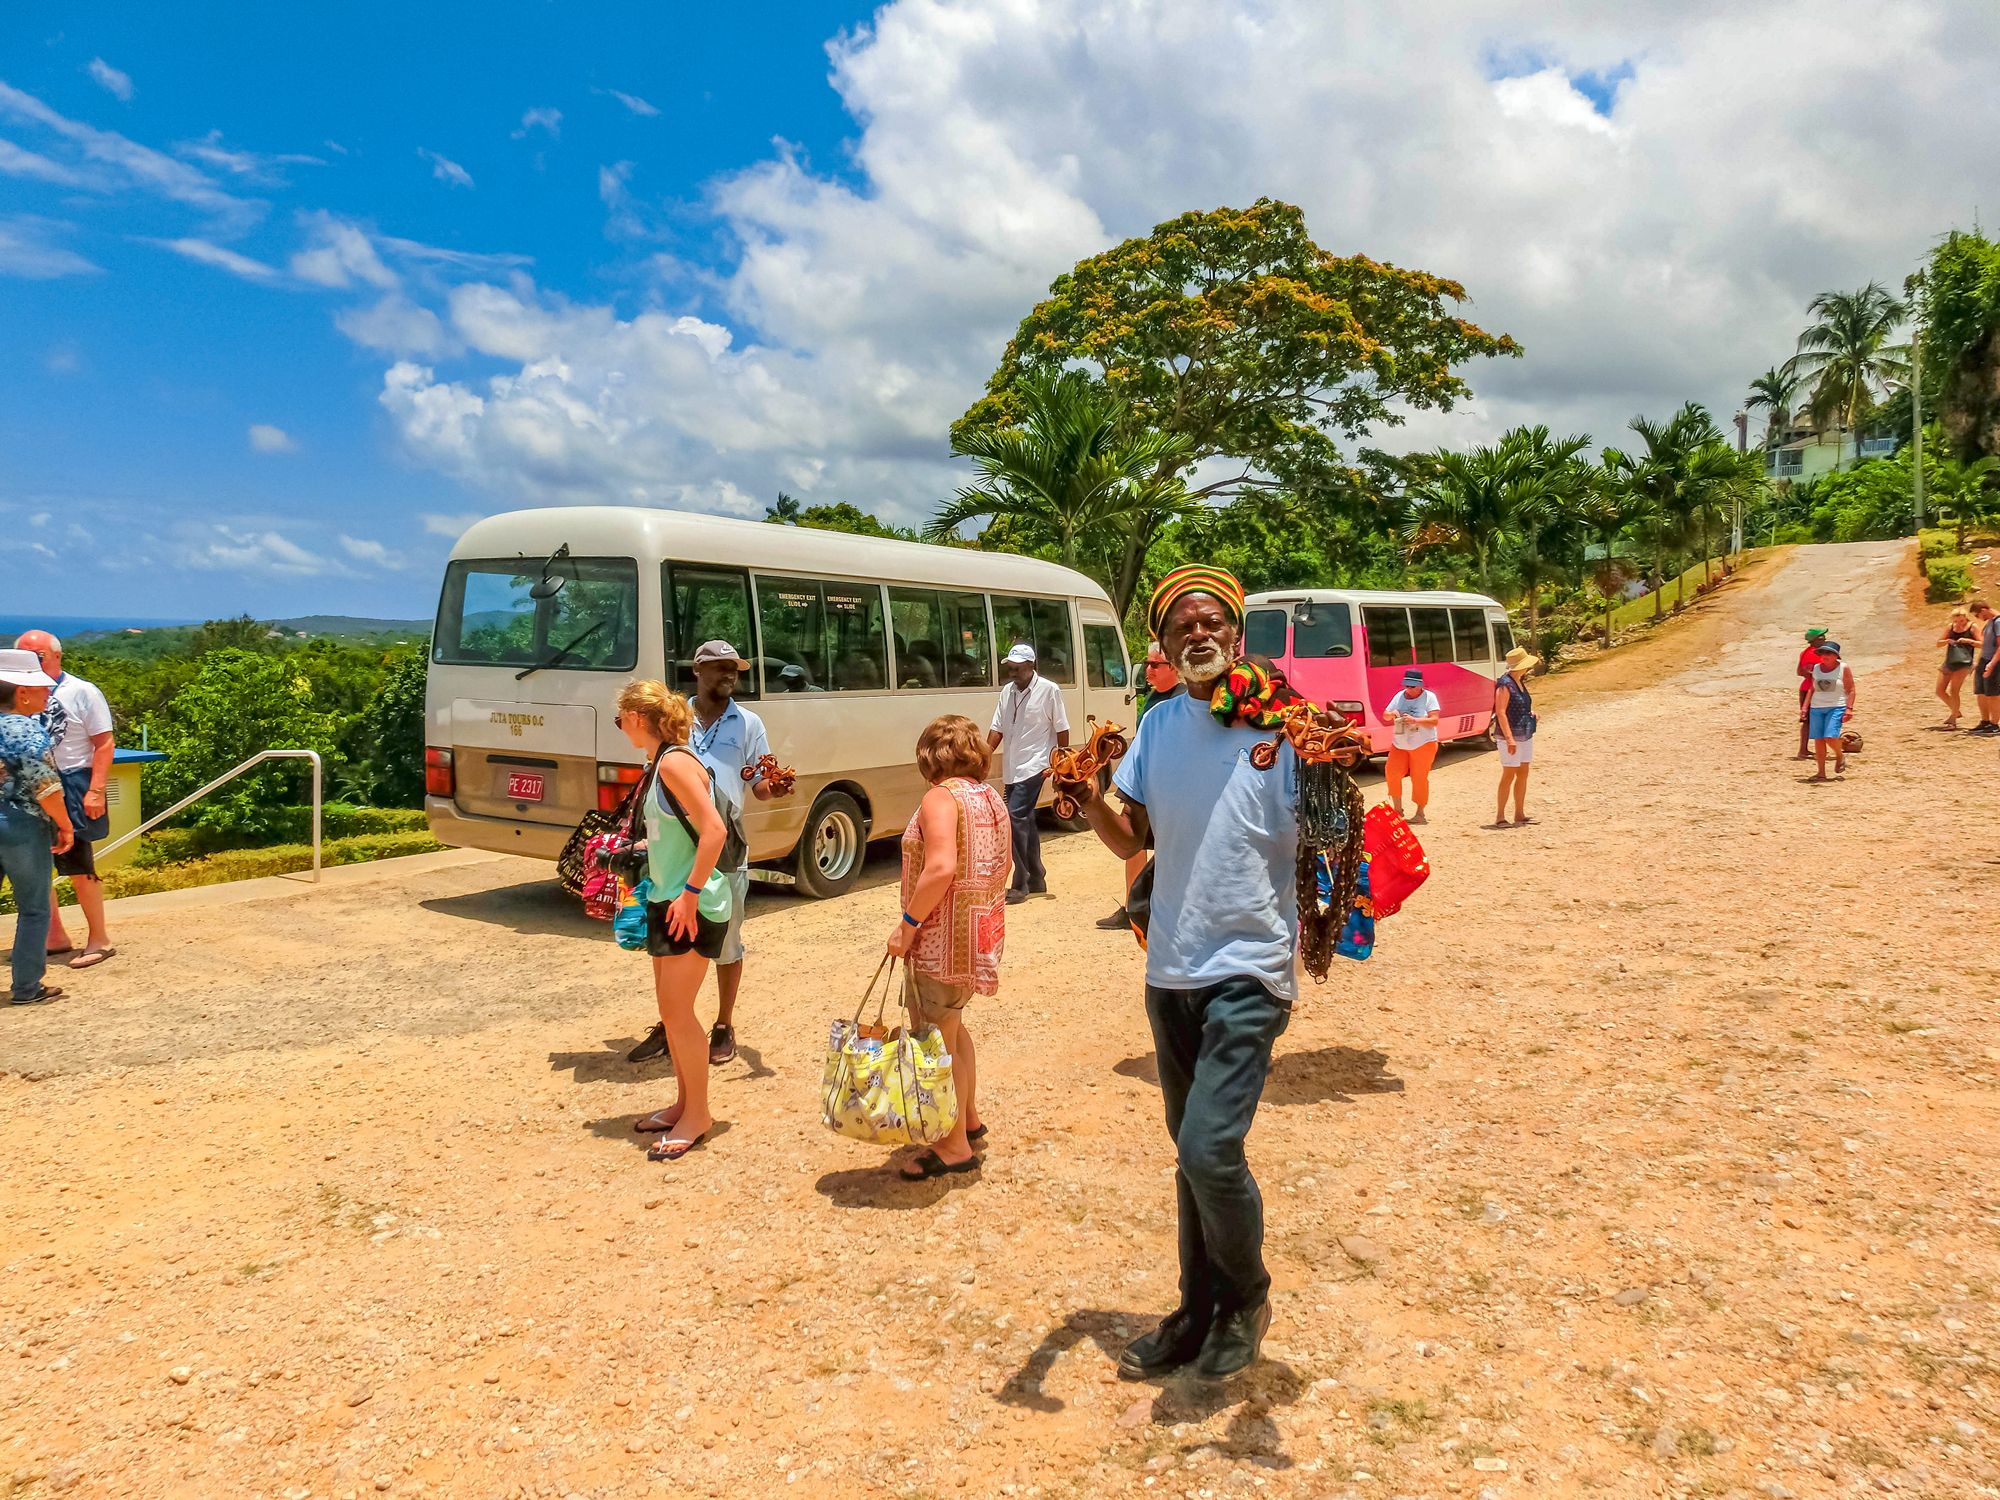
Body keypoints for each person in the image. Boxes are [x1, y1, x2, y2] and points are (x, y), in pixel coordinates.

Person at [1072, 565, 1298, 1382]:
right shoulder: (1159, 726)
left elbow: (1334, 822)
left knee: (1209, 1149)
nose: (1197, 635)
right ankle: (1195, 1307)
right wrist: (1090, 797)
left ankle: (1247, 1299)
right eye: (1180, 628)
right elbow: (1129, 832)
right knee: (1189, 1152)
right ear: (1162, 647)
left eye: (1211, 623)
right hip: (1170, 968)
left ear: (1235, 634)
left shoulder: (1282, 723)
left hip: (1251, 966)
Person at [627, 640, 792, 1068]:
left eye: (734, 669)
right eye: (720, 668)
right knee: (667, 933)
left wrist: (771, 789)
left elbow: (756, 782)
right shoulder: (675, 718)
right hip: (676, 841)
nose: (729, 676)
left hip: (724, 842)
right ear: (698, 671)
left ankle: (722, 1024)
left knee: (726, 937)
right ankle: (672, 1022)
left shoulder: (749, 723)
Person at [884, 714, 1009, 1180]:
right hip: (976, 936)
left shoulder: (941, 797)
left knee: (936, 1037)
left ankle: (952, 1146)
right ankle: (968, 1118)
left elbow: (939, 868)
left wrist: (908, 925)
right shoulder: (989, 797)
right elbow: (1006, 864)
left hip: (941, 940)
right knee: (953, 1029)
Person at [614, 680, 732, 1161]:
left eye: (621, 717)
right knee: (671, 1011)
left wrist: (689, 893)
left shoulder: (675, 763)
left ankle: (697, 1115)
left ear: (639, 718)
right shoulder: (663, 762)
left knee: (679, 1012)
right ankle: (685, 1104)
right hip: (669, 900)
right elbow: (680, 834)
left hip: (689, 905)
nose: (619, 725)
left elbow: (715, 831)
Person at [16, 631, 115, 968]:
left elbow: (104, 742)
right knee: (38, 865)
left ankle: (99, 937)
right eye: (24, 656)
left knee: (78, 864)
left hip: (72, 779)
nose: (32, 662)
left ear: (57, 656)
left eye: (38, 656)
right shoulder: (16, 693)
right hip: (31, 783)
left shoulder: (82, 691)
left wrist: (96, 789)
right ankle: (54, 935)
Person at [0, 650, 76, 1006]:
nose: (47, 695)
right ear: (21, 693)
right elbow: (46, 787)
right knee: (33, 909)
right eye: (41, 689)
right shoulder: (27, 731)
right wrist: (65, 825)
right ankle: (27, 988)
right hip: (21, 824)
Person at [1095, 641, 1183, 931]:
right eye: (1146, 664)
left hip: (1166, 790)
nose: (1148, 670)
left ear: (1174, 667)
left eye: (1155, 665)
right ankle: (1133, 905)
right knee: (1133, 844)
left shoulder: (1180, 700)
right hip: (1144, 787)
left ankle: (1150, 905)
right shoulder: (1156, 698)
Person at [987, 643, 1069, 906]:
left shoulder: (1049, 690)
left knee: (1015, 818)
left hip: (1036, 765)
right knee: (1025, 820)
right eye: (1009, 668)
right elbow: (997, 727)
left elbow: (1061, 728)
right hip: (1012, 767)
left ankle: (1019, 883)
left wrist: (1061, 765)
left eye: (1017, 668)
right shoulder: (1007, 692)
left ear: (1031, 667)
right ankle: (1037, 877)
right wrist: (982, 755)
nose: (1012, 672)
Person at [1383, 667, 1441, 824]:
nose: (1408, 689)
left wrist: (1415, 720)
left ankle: (1420, 813)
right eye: (1406, 686)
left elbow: (1434, 720)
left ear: (1420, 685)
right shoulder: (1399, 696)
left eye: (1412, 686)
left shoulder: (1429, 697)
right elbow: (1385, 714)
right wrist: (1392, 714)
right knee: (1392, 772)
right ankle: (1397, 810)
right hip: (1400, 743)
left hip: (1423, 743)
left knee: (1419, 778)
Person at [1491, 646, 1539, 829]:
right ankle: (1500, 816)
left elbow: (1518, 707)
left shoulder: (1518, 681)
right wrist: (1509, 738)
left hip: (1524, 733)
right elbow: (1501, 712)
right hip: (1510, 736)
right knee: (1509, 774)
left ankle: (1519, 813)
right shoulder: (1505, 684)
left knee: (1523, 772)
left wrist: (1531, 713)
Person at [1805, 639, 1856, 782]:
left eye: (1828, 653)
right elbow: (1813, 688)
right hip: (1816, 707)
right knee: (1819, 740)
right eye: (1822, 652)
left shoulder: (1843, 668)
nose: (1824, 655)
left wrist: (1849, 708)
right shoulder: (1816, 668)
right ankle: (1821, 773)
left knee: (1829, 736)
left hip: (1836, 706)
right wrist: (1805, 707)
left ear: (1835, 656)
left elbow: (1851, 689)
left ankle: (1839, 755)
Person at [1937, 609, 1978, 729]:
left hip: (1964, 662)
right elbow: (1938, 643)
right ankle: (1956, 710)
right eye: (1956, 621)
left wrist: (1969, 641)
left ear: (1966, 618)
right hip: (1950, 661)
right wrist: (1947, 641)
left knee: (1954, 691)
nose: (1959, 623)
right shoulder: (1950, 627)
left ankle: (1953, 719)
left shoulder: (1972, 627)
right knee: (1940, 690)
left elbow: (1982, 643)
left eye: (1962, 620)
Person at [1795, 627, 1829, 758]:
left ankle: (1804, 750)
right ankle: (1805, 750)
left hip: (1811, 688)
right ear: (1813, 640)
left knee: (1809, 721)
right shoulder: (1814, 654)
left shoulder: (1807, 652)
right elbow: (1804, 671)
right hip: (1813, 689)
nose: (1824, 639)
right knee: (1813, 720)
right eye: (1821, 638)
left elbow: (1800, 671)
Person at [1969, 600, 2000, 736]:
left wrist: (1991, 663)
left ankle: (1994, 724)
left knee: (1993, 693)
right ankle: (1985, 721)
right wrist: (1978, 663)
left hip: (1993, 661)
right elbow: (1986, 645)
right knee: (1981, 691)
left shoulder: (1998, 622)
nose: (1978, 618)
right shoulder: (1990, 623)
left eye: (1977, 615)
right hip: (1984, 660)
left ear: (1983, 610)